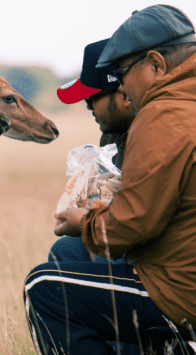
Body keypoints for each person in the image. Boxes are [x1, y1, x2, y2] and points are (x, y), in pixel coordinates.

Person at [25, 4, 196, 355]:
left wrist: (83, 220)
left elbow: (131, 227)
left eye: (122, 72)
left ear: (156, 64)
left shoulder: (165, 112)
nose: (124, 87)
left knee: (44, 286)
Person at [51, 39, 136, 265]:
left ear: (124, 94)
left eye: (92, 98)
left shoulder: (157, 135)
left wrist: (85, 224)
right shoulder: (113, 135)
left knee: (103, 258)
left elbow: (140, 220)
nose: (88, 107)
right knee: (65, 249)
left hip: (155, 255)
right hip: (121, 232)